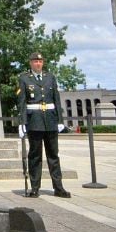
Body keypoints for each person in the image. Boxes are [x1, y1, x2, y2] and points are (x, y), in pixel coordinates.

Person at [18, 52, 70, 198]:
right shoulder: (24, 79)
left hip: (51, 121)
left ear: (43, 63)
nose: (38, 64)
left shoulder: (50, 78)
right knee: (35, 156)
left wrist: (60, 120)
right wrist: (22, 122)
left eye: (40, 61)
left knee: (53, 155)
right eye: (35, 61)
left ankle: (59, 188)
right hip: (34, 121)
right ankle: (35, 188)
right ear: (31, 63)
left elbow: (57, 100)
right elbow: (21, 101)